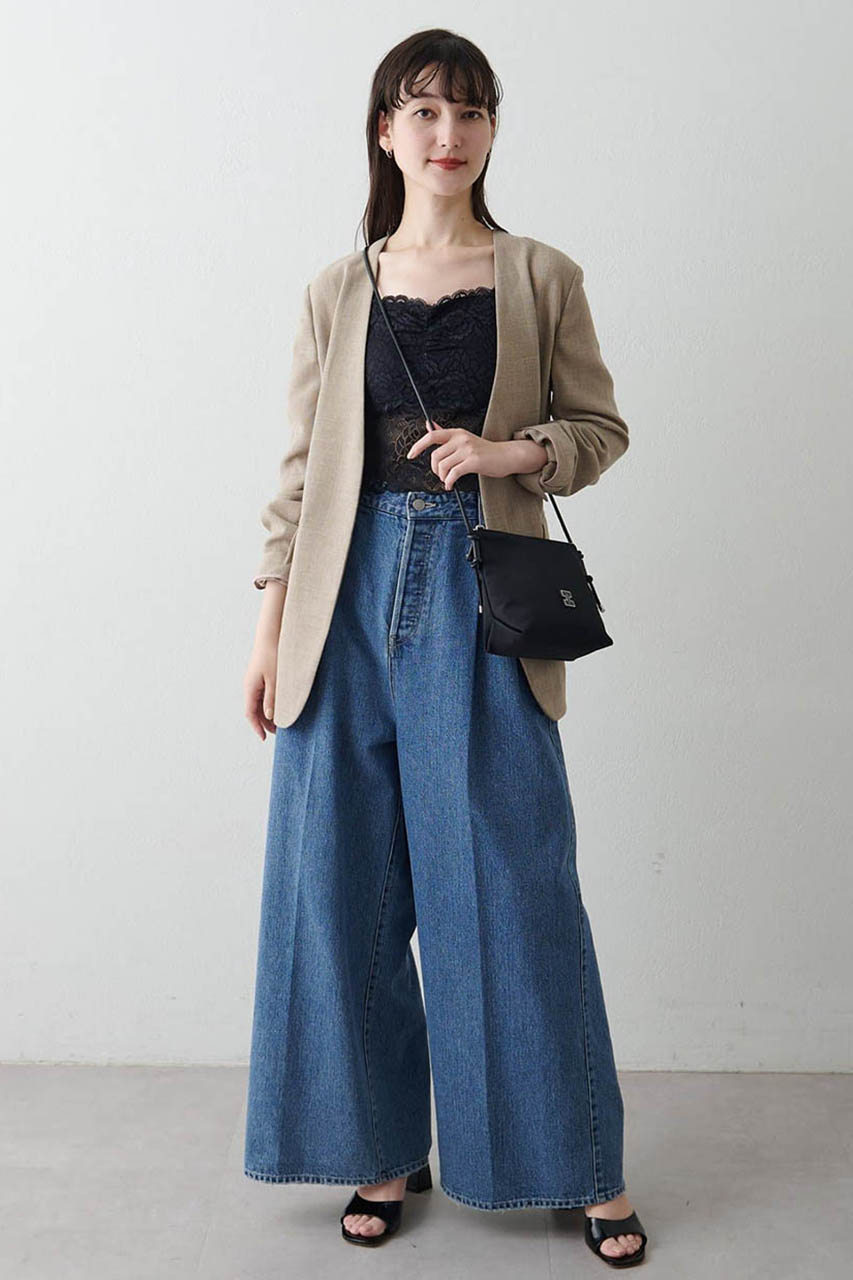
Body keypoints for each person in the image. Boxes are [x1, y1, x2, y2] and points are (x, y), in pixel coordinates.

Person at [242, 28, 648, 1269]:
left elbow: (598, 427)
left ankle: (577, 1160)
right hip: (340, 596)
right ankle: (379, 1149)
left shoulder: (538, 274)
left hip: (481, 590)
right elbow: (299, 475)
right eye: (422, 111)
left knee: (510, 885)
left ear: (490, 131)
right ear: (385, 131)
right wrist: (268, 631)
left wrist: (509, 451)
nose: (447, 134)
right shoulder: (336, 288)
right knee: (340, 884)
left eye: (469, 112)